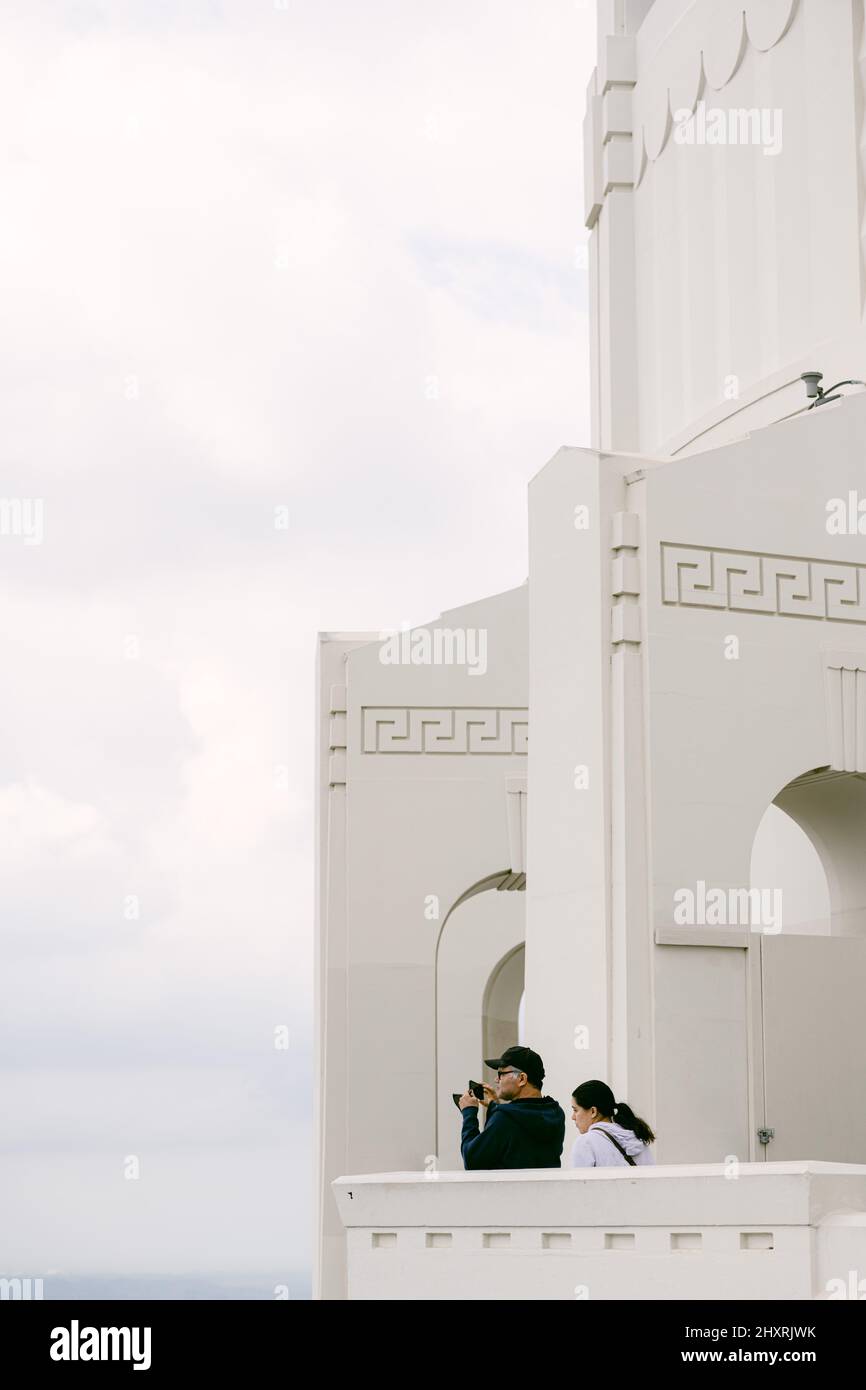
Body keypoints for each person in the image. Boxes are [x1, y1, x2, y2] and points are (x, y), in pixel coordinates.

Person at [458, 1045, 565, 1170]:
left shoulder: (504, 1118)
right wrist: (494, 1107)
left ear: (522, 1079)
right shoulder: (556, 1113)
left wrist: (469, 1113)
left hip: (511, 1190)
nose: (496, 1079)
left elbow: (472, 1160)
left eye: (501, 1073)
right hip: (547, 1189)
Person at [569, 1078, 656, 1167]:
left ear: (593, 1112)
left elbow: (580, 1180)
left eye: (575, 1110)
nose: (573, 1117)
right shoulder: (636, 1138)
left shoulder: (585, 1143)